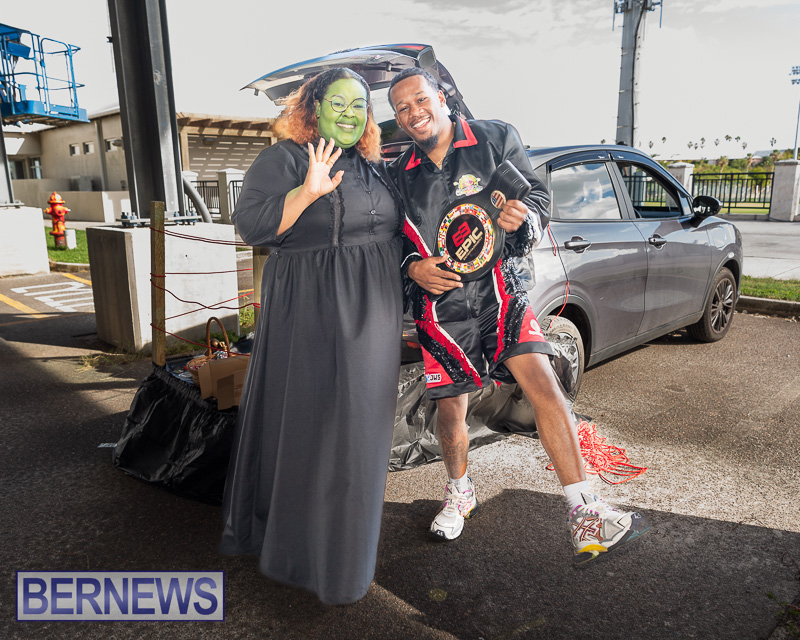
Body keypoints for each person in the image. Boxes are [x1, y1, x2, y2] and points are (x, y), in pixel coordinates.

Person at [387, 68, 650, 564]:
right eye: (401, 108)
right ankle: (460, 490)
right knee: (452, 411)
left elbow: (538, 199)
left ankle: (584, 511)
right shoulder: (398, 174)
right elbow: (390, 244)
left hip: (501, 296)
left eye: (419, 100)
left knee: (545, 385)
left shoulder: (493, 137)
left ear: (442, 97)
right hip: (441, 313)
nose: (412, 113)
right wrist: (413, 267)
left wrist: (523, 217)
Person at [219, 68, 404, 604]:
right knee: (308, 424)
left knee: (359, 435)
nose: (350, 113)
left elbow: (396, 232)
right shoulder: (284, 159)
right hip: (311, 310)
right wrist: (305, 193)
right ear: (315, 107)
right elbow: (251, 227)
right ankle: (306, 553)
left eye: (360, 105)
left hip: (374, 312)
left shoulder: (375, 168)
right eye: (339, 103)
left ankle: (343, 553)